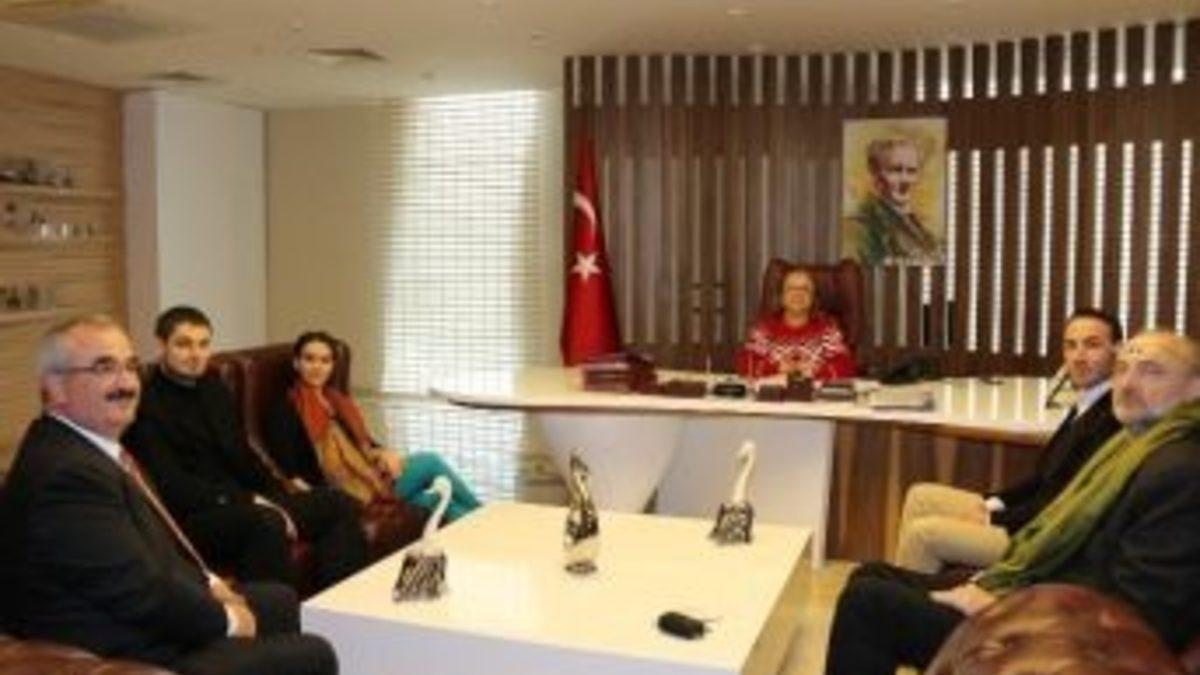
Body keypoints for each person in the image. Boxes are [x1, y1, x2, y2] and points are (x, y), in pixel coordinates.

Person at [824, 330, 1200, 675]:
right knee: (870, 574)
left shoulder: (1179, 471)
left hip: (1061, 632)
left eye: (1152, 371)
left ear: (1194, 387)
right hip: (1041, 593)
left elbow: (1145, 614)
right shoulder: (1130, 446)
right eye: (1122, 369)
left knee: (868, 604)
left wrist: (1008, 607)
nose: (1128, 384)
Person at [0, 315, 337, 675]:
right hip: (127, 650)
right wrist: (228, 620)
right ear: (55, 388)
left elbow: (150, 547)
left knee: (279, 600)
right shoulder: (67, 476)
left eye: (130, 366)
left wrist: (208, 584)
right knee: (315, 652)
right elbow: (139, 592)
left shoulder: (89, 448)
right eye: (104, 368)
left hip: (140, 617)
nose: (126, 383)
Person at [123, 306, 368, 590]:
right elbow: (172, 485)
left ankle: (334, 603)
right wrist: (248, 500)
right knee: (266, 522)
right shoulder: (146, 402)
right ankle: (272, 614)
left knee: (337, 503)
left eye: (203, 344)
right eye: (184, 344)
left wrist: (278, 493)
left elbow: (242, 454)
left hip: (245, 502)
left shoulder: (214, 386)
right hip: (196, 516)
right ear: (161, 344)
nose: (196, 354)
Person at [894, 308, 1123, 572]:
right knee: (921, 496)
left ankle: (907, 594)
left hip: (1044, 540)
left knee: (923, 535)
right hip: (1031, 519)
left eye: (1092, 345)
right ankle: (907, 582)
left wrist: (992, 518)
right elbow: (1041, 480)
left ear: (1117, 350)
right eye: (1071, 346)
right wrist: (991, 502)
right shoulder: (1087, 403)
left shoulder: (1112, 417)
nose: (1079, 356)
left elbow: (1064, 503)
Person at [265, 331, 481, 523]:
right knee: (430, 462)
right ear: (296, 363)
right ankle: (486, 518)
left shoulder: (335, 400)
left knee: (437, 500)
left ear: (332, 366)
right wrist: (316, 498)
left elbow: (362, 442)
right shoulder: (285, 407)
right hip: (347, 492)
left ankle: (487, 532)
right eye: (309, 359)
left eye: (325, 360)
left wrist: (382, 451)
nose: (317, 367)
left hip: (370, 475)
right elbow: (289, 469)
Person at [735, 267, 856, 380]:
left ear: (813, 298)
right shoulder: (765, 328)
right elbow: (746, 364)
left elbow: (846, 367)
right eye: (791, 288)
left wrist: (814, 371)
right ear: (781, 297)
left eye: (805, 289)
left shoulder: (827, 329)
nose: (798, 293)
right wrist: (778, 368)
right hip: (774, 394)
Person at [844, 137, 941, 265]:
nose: (905, 180)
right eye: (896, 170)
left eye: (911, 171)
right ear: (876, 174)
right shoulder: (862, 225)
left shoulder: (920, 228)